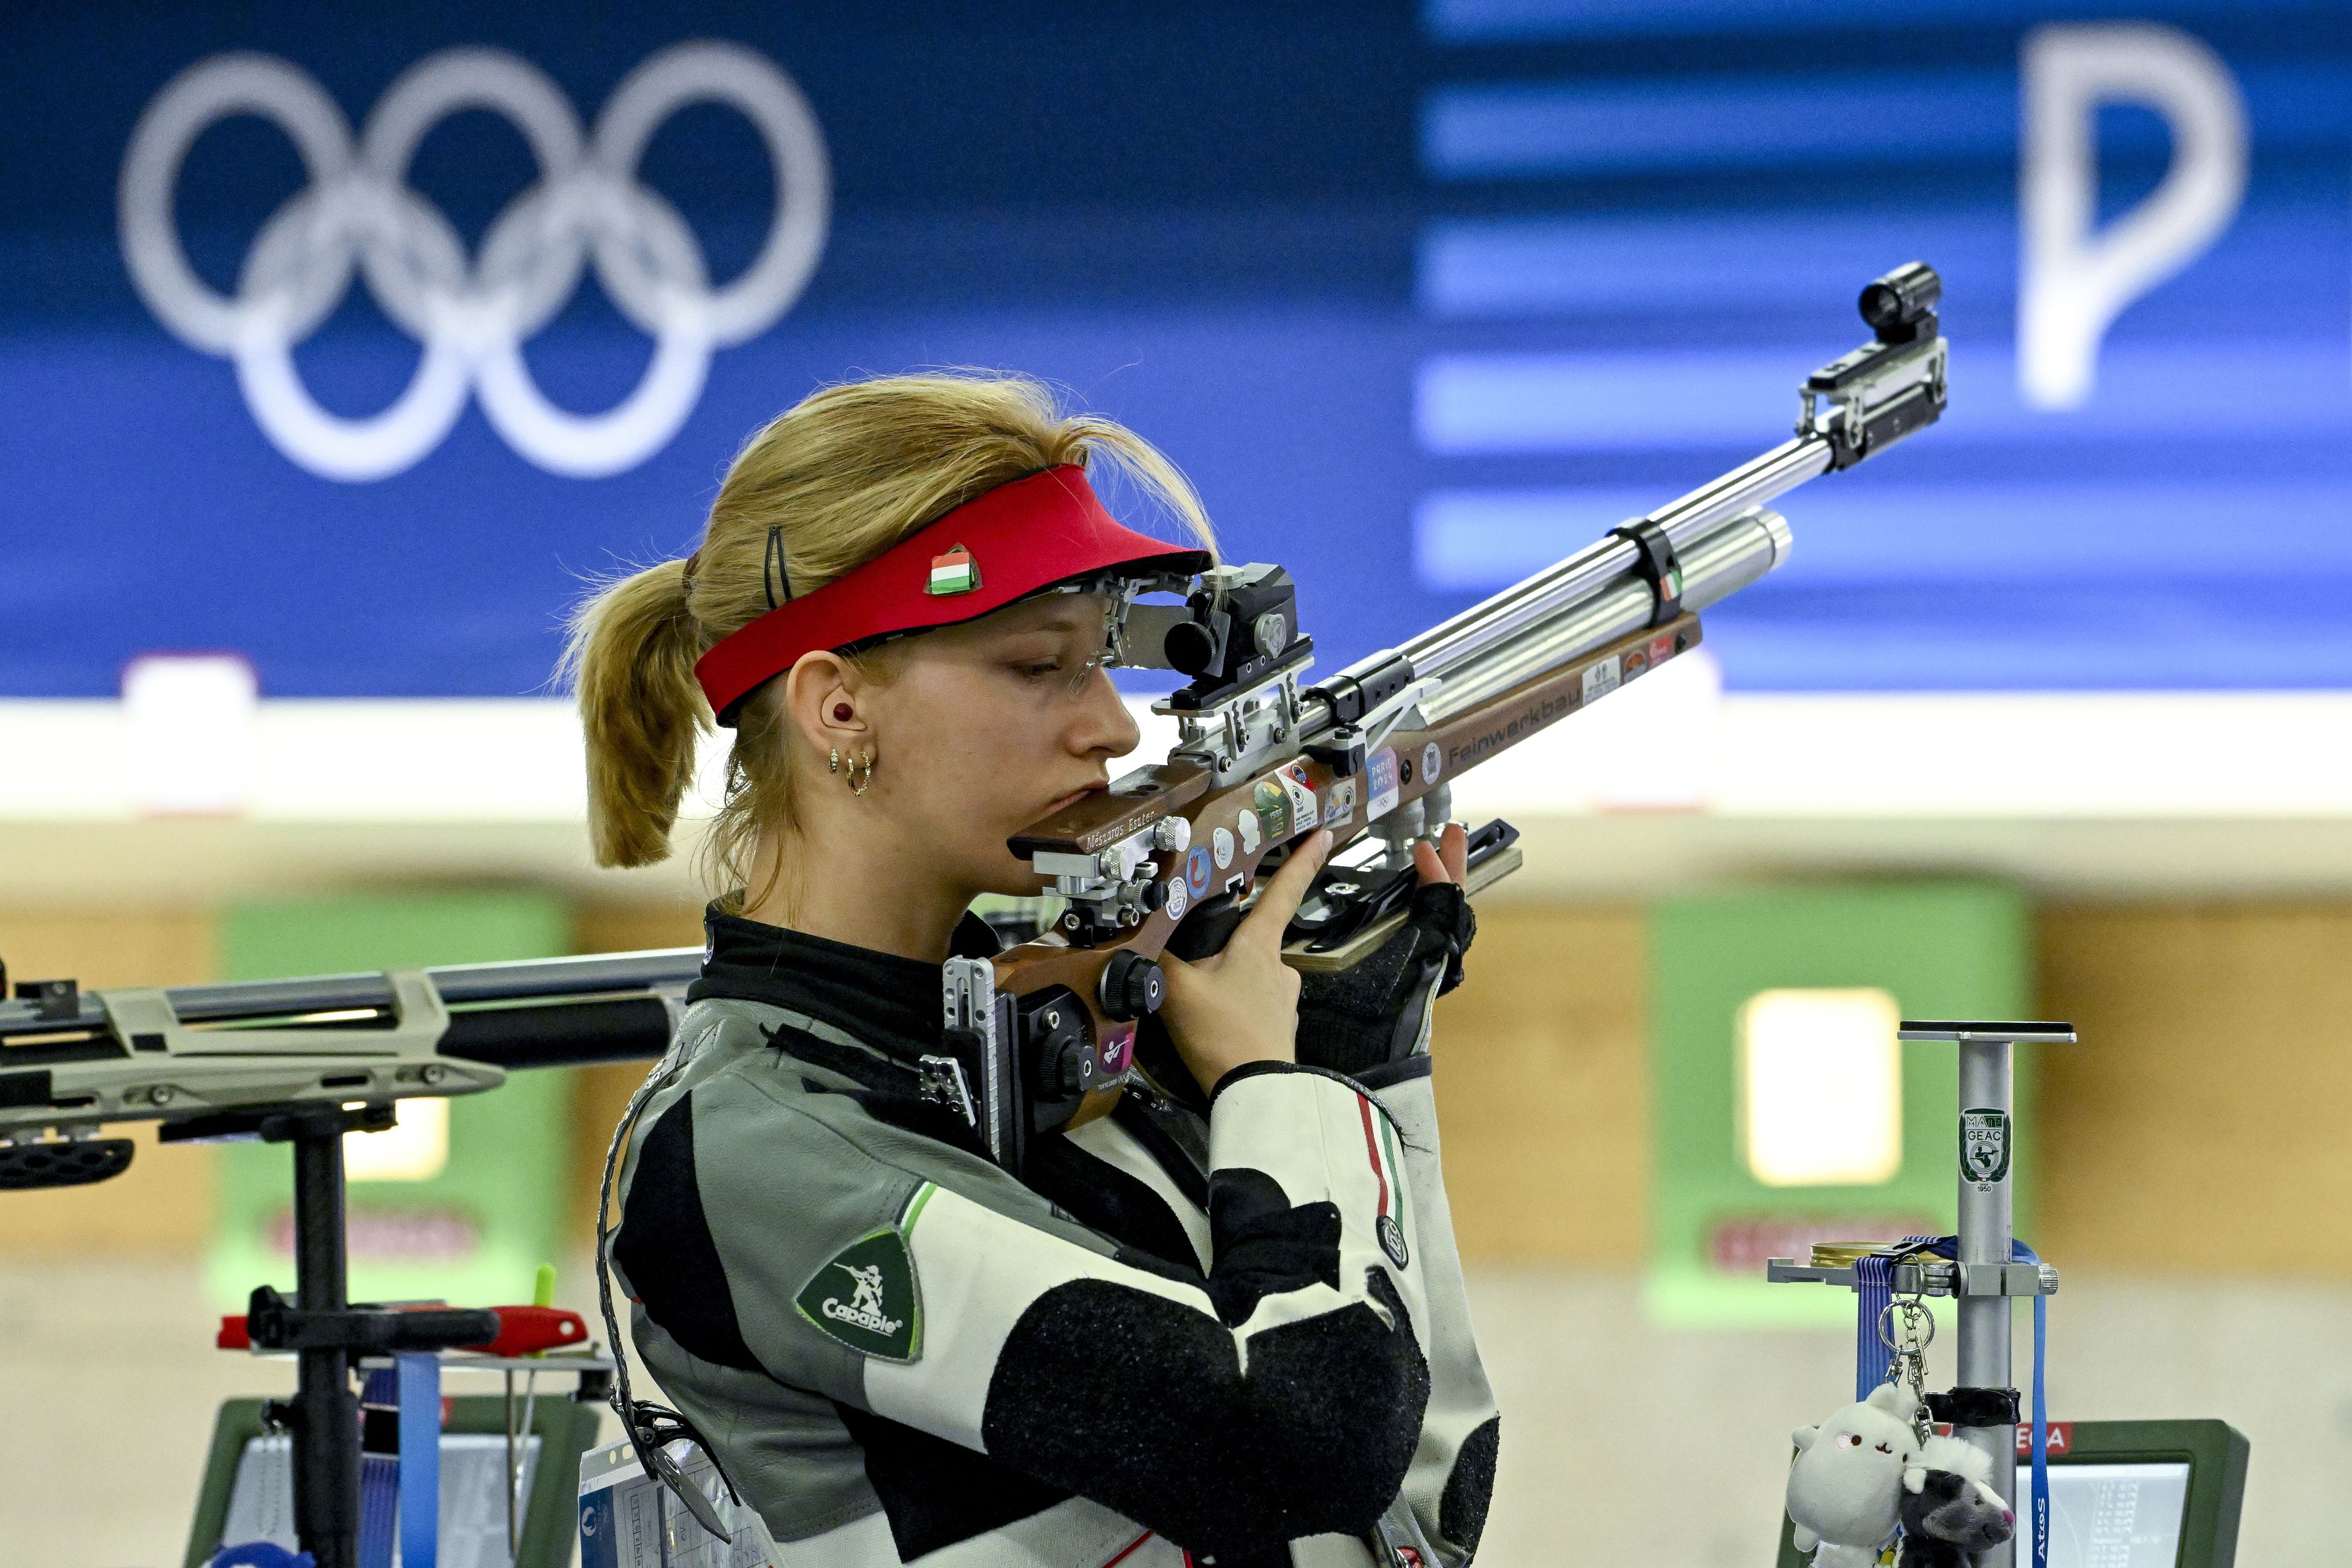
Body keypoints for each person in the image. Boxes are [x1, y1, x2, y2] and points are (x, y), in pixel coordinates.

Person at [567, 372, 1499, 1568]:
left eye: (1104, 659)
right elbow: (1298, 1447)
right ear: (839, 705)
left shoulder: (1035, 1045)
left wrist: (1366, 1070)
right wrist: (1280, 1084)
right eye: (1039, 664)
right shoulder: (752, 1145)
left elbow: (1419, 1514)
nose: (1114, 724)